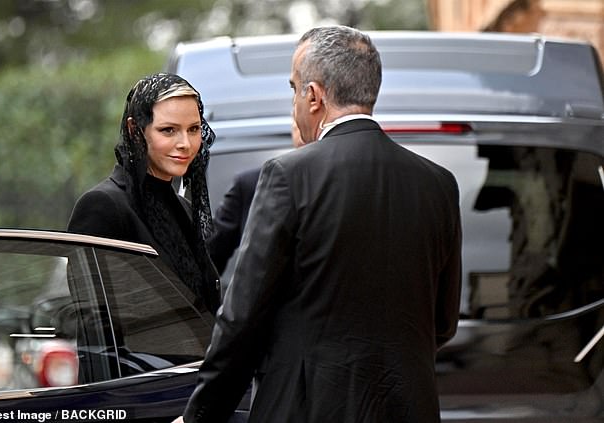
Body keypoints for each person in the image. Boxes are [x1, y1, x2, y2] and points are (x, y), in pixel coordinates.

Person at [178, 25, 462, 423]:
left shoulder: (288, 175)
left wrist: (200, 415)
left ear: (314, 96)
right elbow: (444, 322)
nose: (294, 100)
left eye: (294, 88)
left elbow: (241, 318)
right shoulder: (439, 184)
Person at [67, 73, 221, 314]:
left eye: (193, 129)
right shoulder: (103, 207)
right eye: (169, 130)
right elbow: (96, 322)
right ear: (135, 130)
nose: (186, 143)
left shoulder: (183, 209)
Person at [208, 119, 306, 275]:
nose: (302, 128)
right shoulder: (250, 185)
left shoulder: (340, 183)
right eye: (297, 120)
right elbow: (210, 257)